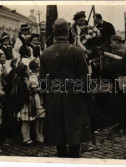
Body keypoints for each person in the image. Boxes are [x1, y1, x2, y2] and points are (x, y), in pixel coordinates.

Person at [40, 18, 91, 157]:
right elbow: (85, 78)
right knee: (75, 127)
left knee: (58, 129)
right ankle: (74, 156)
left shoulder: (45, 53)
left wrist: (46, 99)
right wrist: (87, 96)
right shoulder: (76, 51)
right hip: (74, 97)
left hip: (54, 97)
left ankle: (61, 157)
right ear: (67, 32)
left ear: (54, 33)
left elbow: (43, 82)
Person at [14, 63, 36, 145]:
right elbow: (22, 94)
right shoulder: (20, 81)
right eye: (27, 70)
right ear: (23, 72)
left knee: (28, 122)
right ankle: (25, 139)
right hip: (24, 104)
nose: (29, 71)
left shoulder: (26, 80)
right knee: (25, 122)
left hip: (28, 101)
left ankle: (28, 138)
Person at [29, 60, 45, 142]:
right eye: (38, 66)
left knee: (42, 117)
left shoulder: (39, 75)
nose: (39, 68)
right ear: (34, 68)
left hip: (41, 96)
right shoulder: (33, 77)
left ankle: (41, 134)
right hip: (37, 97)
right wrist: (40, 89)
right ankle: (37, 135)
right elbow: (34, 90)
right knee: (38, 117)